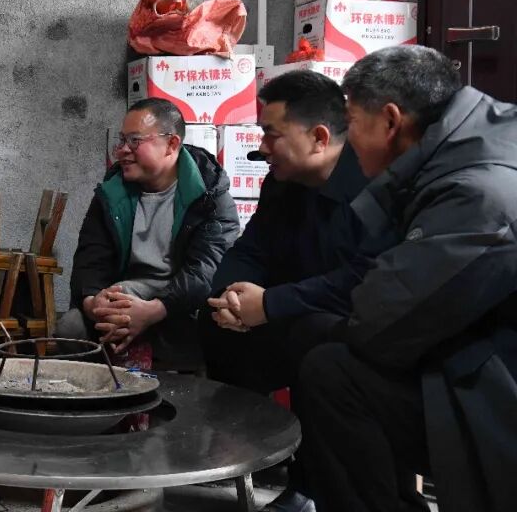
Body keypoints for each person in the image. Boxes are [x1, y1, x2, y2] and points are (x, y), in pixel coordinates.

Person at [297, 46, 517, 512]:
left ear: (391, 120)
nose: (347, 139)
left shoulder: (480, 194)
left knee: (332, 371)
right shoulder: (479, 142)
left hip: (502, 381)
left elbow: (382, 321)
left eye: (352, 121)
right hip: (484, 346)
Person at [201, 70, 373, 512]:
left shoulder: (373, 185)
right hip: (289, 311)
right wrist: (230, 296)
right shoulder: (281, 182)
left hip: (353, 327)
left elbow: (360, 282)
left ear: (319, 138)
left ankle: (309, 487)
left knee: (314, 343)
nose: (261, 147)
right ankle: (251, 459)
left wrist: (269, 304)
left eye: (271, 134)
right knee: (214, 325)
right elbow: (251, 249)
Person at [59, 97, 239, 368]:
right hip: (121, 300)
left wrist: (152, 311)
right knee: (71, 326)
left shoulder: (209, 194)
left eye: (135, 141)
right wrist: (94, 303)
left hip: (177, 307)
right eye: (122, 140)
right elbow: (89, 261)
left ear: (171, 144)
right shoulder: (112, 193)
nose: (122, 150)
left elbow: (205, 271)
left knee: (211, 329)